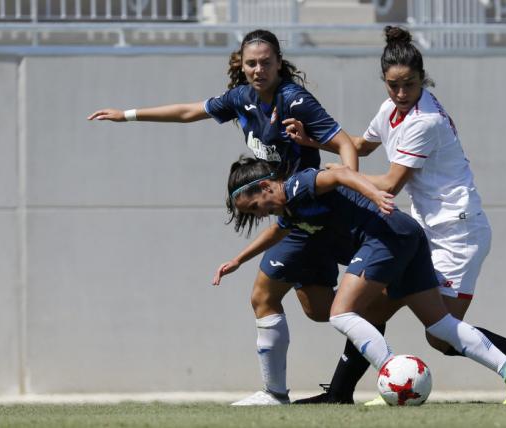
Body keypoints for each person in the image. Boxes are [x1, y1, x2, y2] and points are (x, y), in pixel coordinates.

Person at [88, 29, 362, 405]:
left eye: (266, 62)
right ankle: (375, 317)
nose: (259, 69)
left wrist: (352, 180)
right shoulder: (242, 98)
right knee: (320, 311)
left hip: (315, 213)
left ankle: (276, 393)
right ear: (241, 65)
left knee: (264, 296)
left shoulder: (294, 100)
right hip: (296, 219)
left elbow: (346, 142)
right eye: (251, 63)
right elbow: (188, 112)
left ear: (279, 63)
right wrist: (127, 115)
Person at [283, 26, 506, 405]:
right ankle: (340, 393)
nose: (401, 93)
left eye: (409, 84)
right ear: (385, 82)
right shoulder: (391, 109)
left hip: (458, 232)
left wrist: (335, 178)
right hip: (426, 228)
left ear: (422, 78)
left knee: (440, 334)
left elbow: (389, 185)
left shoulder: (425, 121)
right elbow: (361, 145)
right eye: (393, 85)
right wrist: (313, 140)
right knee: (376, 306)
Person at [214, 156, 506, 405]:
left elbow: (340, 174)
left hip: (385, 236)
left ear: (268, 186)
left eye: (257, 206)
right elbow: (278, 231)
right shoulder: (291, 210)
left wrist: (375, 195)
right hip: (406, 234)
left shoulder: (299, 185)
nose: (260, 213)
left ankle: (394, 374)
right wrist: (239, 260)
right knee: (439, 325)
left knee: (341, 312)